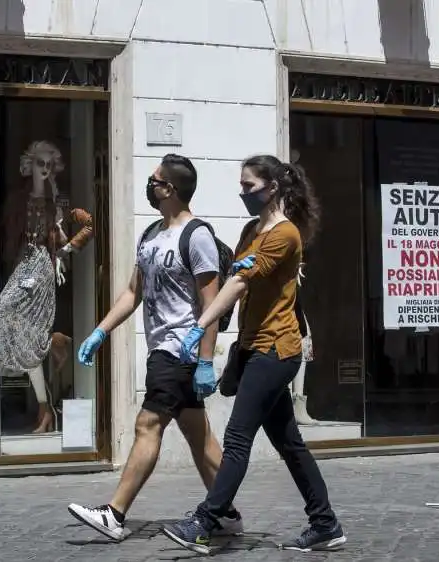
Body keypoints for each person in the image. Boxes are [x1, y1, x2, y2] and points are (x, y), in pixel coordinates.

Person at [161, 155, 346, 554]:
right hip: (254, 347)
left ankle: (205, 521)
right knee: (289, 443)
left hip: (276, 350)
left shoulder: (285, 234)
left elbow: (240, 282)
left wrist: (200, 325)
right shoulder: (251, 229)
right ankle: (325, 523)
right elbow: (234, 274)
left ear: (272, 188)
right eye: (242, 185)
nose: (242, 192)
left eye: (249, 186)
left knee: (237, 436)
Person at [67, 154, 244, 541]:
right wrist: (100, 331)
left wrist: (204, 362)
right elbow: (134, 292)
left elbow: (210, 305)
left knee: (147, 424)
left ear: (172, 189)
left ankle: (114, 514)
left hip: (179, 350)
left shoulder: (196, 236)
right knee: (198, 436)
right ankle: (226, 512)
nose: (150, 185)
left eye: (156, 180)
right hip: (159, 349)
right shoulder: (151, 234)